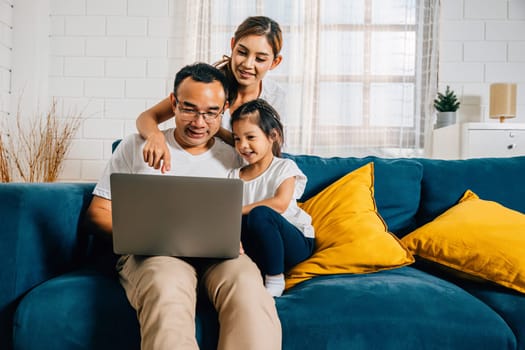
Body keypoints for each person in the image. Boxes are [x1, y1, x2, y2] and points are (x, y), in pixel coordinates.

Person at [86, 63, 281, 350]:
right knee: (166, 288)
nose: (199, 122)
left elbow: (276, 188)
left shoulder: (238, 155)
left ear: (224, 109)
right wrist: (147, 237)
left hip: (221, 257)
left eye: (210, 112)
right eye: (189, 109)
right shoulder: (135, 146)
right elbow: (97, 213)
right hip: (155, 256)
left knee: (249, 290)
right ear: (174, 104)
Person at [137, 16, 285, 173]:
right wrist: (155, 136)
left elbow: (272, 150)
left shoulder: (275, 97)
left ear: (274, 62)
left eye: (260, 59)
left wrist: (219, 131)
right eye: (242, 52)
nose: (248, 64)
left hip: (248, 174)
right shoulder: (211, 87)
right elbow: (147, 117)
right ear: (232, 45)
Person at [228, 99, 315, 297]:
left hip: (294, 244)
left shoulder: (284, 167)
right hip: (259, 246)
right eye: (236, 139)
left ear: (272, 136)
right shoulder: (234, 175)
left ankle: (275, 279)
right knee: (236, 223)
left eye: (250, 137)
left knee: (260, 214)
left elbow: (280, 204)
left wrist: (235, 211)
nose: (243, 145)